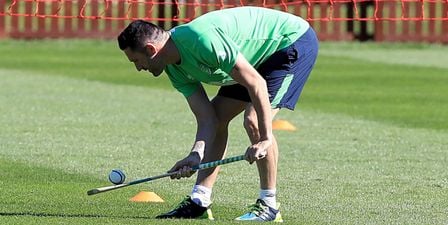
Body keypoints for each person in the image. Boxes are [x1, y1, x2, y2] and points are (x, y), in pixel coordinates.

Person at [117, 6, 318, 222]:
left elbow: (256, 83)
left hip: (288, 43)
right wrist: (196, 154)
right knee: (220, 118)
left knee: (254, 120)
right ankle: (199, 201)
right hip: (252, 57)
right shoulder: (173, 68)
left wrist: (266, 139)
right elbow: (208, 118)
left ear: (150, 50)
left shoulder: (201, 40)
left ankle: (269, 205)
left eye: (136, 61)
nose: (138, 68)